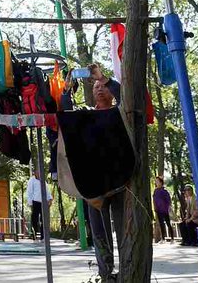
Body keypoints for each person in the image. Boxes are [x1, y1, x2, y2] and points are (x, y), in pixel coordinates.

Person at [88, 76, 126, 282]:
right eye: (96, 87)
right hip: (94, 181)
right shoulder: (86, 116)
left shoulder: (119, 112)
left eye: (103, 86)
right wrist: (66, 91)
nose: (100, 89)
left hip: (120, 178)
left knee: (123, 225)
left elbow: (123, 95)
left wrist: (104, 77)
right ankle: (106, 272)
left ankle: (128, 268)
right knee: (98, 228)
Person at [26, 170, 50, 237]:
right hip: (35, 201)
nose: (39, 174)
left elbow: (47, 191)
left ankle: (43, 235)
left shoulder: (43, 181)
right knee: (35, 218)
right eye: (38, 172)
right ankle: (34, 233)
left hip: (43, 202)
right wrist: (30, 202)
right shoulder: (32, 180)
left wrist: (49, 199)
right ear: (35, 173)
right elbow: (29, 191)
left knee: (44, 219)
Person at [153, 176, 173, 243]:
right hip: (158, 209)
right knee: (161, 224)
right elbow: (154, 200)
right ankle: (163, 239)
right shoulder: (155, 191)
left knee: (168, 223)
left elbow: (168, 200)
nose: (156, 183)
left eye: (158, 181)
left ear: (161, 182)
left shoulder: (164, 191)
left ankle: (172, 238)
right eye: (156, 181)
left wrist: (169, 207)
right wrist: (155, 207)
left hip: (165, 209)